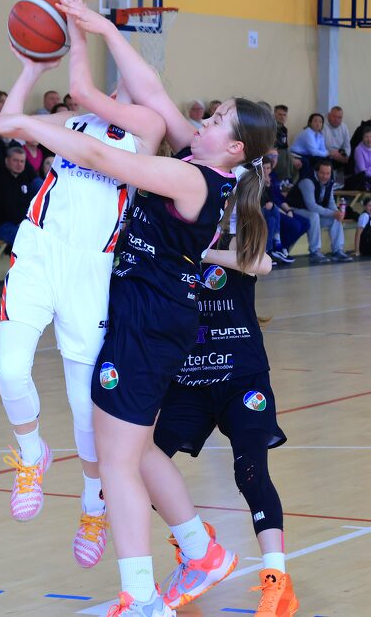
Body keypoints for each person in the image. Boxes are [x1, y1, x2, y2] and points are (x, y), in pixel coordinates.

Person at [0, 0, 276, 617]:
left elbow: (99, 156)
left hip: (147, 320)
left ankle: (141, 596)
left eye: (217, 119)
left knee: (117, 464)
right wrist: (99, 28)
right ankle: (201, 553)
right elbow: (150, 88)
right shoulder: (200, 157)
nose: (202, 119)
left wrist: (22, 124)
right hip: (148, 314)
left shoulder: (193, 176)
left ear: (235, 148)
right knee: (138, 454)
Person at [0, 14, 164, 574]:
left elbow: (100, 111)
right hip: (38, 251)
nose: (124, 82)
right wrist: (30, 69)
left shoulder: (147, 132)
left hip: (92, 271)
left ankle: (93, 503)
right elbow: (9, 125)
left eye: (135, 77)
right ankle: (32, 455)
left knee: (84, 405)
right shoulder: (76, 121)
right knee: (9, 371)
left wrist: (86, 35)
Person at [153, 228, 299, 617]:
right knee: (139, 468)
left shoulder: (235, 234)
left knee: (250, 471)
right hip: (188, 382)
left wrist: (199, 250)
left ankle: (277, 583)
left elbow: (262, 263)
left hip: (242, 379)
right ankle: (198, 544)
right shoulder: (162, 232)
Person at [286, 158, 352, 263]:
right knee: (314, 215)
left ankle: (338, 250)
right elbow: (311, 206)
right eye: (322, 173)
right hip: (294, 210)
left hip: (312, 213)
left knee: (335, 218)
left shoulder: (329, 182)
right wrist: (333, 213)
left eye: (328, 173)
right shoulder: (307, 181)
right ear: (316, 171)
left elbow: (331, 203)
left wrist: (337, 213)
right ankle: (314, 252)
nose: (325, 176)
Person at [0, 144, 39, 247]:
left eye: (22, 161)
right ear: (6, 161)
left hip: (21, 222)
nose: (19, 164)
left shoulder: (23, 177)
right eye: (15, 160)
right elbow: (10, 209)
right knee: (30, 241)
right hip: (3, 224)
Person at [265, 149, 310, 261]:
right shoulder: (262, 175)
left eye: (276, 156)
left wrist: (288, 210)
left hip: (278, 208)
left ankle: (284, 247)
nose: (274, 159)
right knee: (295, 225)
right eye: (271, 156)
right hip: (270, 209)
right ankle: (278, 249)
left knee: (306, 223)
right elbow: (271, 199)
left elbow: (279, 197)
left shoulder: (273, 175)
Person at [321, 106, 351, 188]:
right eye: (334, 116)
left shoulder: (344, 127)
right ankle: (329, 186)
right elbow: (321, 147)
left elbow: (347, 147)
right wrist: (332, 154)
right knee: (327, 161)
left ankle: (347, 187)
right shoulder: (322, 126)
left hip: (339, 154)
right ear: (329, 115)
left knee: (352, 161)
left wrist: (344, 155)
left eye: (339, 117)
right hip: (326, 155)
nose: (336, 119)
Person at [273, 104, 301, 183]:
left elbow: (285, 146)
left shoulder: (284, 129)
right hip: (274, 154)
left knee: (302, 163)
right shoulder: (271, 127)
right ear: (274, 115)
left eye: (284, 115)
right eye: (280, 114)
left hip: (283, 154)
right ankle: (283, 182)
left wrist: (292, 159)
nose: (282, 117)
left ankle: (288, 183)